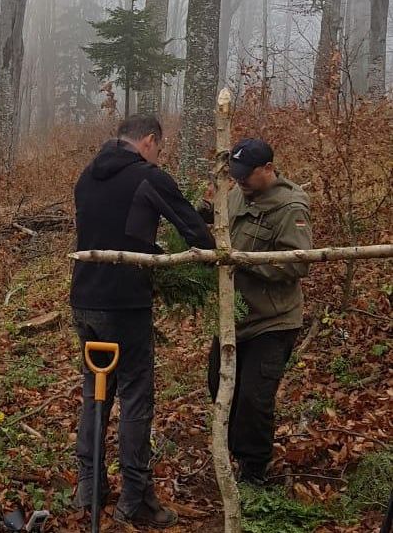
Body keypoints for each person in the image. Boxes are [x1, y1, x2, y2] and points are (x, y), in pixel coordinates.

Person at [72, 114, 215, 529]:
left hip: (84, 299)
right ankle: (134, 498)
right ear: (149, 141)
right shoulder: (148, 177)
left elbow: (122, 231)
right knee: (135, 397)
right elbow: (193, 233)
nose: (159, 155)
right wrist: (215, 253)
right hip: (125, 305)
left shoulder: (87, 176)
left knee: (94, 393)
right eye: (160, 148)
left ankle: (88, 487)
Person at [205, 138, 312, 485]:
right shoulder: (237, 193)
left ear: (268, 169)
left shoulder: (290, 206)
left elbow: (297, 264)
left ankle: (254, 470)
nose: (240, 183)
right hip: (233, 316)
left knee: (254, 397)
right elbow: (224, 222)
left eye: (246, 176)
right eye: (235, 177)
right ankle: (233, 452)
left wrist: (245, 263)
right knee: (219, 384)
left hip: (273, 321)